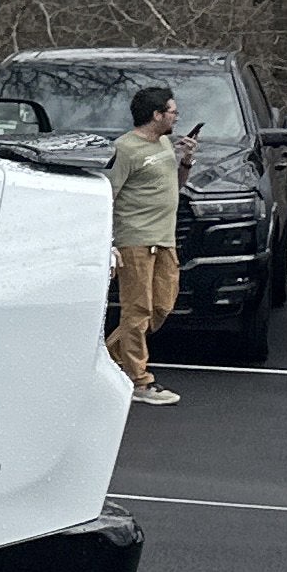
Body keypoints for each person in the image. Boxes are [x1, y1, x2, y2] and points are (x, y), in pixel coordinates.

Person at [107, 82, 191, 406]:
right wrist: (109, 241)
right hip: (136, 241)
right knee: (137, 311)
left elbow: (176, 187)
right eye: (172, 111)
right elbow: (109, 194)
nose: (176, 116)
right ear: (156, 115)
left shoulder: (167, 145)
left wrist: (186, 162)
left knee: (162, 306)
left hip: (164, 239)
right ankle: (139, 380)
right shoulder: (125, 149)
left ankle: (106, 357)